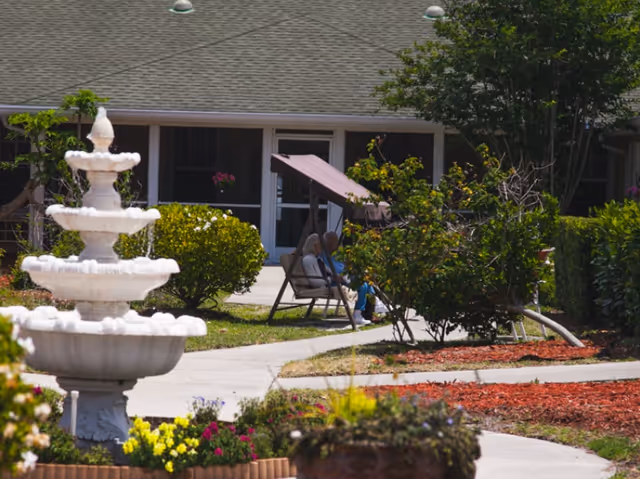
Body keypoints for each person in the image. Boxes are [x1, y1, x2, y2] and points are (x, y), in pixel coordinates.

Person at [301, 233, 371, 326]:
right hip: (327, 285)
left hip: (332, 282)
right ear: (313, 246)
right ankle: (359, 314)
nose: (322, 247)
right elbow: (315, 280)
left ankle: (363, 311)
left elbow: (326, 271)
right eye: (320, 245)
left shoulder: (316, 258)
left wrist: (337, 277)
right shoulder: (310, 259)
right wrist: (332, 279)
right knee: (362, 285)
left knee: (363, 282)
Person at [321, 231, 389, 321]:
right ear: (326, 243)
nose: (335, 244)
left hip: (347, 277)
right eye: (332, 242)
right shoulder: (322, 256)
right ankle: (364, 311)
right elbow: (325, 271)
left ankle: (373, 307)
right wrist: (336, 276)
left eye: (335, 242)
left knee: (366, 279)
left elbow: (346, 266)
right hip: (337, 281)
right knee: (363, 285)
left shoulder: (337, 254)